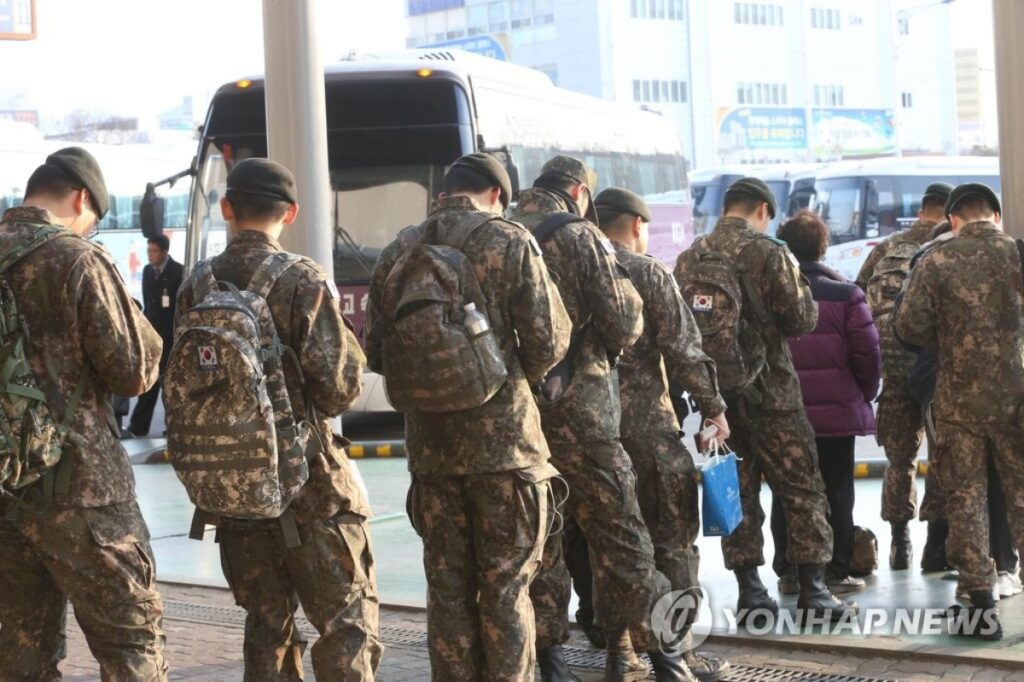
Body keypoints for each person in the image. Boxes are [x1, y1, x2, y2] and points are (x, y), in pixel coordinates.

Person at [366, 153, 571, 681]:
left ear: (445, 192)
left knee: (448, 591)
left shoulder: (397, 251)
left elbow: (374, 352)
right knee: (506, 591)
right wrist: (507, 379)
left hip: (431, 457)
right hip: (507, 455)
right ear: (497, 195)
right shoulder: (507, 240)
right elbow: (549, 340)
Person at [175, 158, 382, 678]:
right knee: (346, 626)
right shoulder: (301, 280)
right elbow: (340, 389)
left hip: (233, 493)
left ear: (226, 209)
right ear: (289, 213)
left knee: (266, 626)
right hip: (312, 489)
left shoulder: (195, 287)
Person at [511, 156, 696, 681]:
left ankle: (552, 662)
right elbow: (625, 321)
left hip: (520, 421)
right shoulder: (578, 236)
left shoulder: (498, 233)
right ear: (579, 192)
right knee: (623, 540)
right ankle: (668, 658)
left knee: (544, 541)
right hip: (585, 417)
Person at [0, 147, 168, 678]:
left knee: (20, 656)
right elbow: (135, 371)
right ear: (80, 198)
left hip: (7, 492)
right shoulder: (77, 259)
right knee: (131, 647)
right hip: (85, 496)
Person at [675, 177, 855, 623]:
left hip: (717, 399)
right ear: (761, 210)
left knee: (735, 492)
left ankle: (751, 591)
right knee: (801, 486)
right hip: (773, 393)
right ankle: (814, 590)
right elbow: (800, 320)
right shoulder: (770, 253)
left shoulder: (690, 257)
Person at [595, 187, 732, 681]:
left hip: (591, 436)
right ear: (636, 224)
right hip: (649, 435)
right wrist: (715, 408)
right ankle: (679, 654)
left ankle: (619, 651)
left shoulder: (568, 270)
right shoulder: (646, 271)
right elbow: (683, 349)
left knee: (610, 546)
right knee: (672, 543)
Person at [892, 182, 1024, 640]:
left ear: (952, 220)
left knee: (967, 500)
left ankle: (979, 606)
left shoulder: (935, 261)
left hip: (958, 403)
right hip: (1017, 400)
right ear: (995, 215)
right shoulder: (1018, 254)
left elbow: (909, 330)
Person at [771, 210, 882, 596]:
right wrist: (862, 395)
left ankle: (788, 570)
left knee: (789, 491)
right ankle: (836, 570)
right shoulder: (847, 294)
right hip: (836, 413)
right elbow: (868, 355)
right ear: (824, 246)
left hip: (784, 413)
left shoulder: (772, 293)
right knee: (837, 489)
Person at [855, 182, 953, 570]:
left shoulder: (886, 248)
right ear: (949, 213)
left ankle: (899, 542)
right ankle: (935, 545)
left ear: (922, 208)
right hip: (937, 369)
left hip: (893, 368)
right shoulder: (946, 247)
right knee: (942, 454)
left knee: (900, 459)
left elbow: (859, 298)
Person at [123, 234, 182, 439]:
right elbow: (148, 302)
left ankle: (174, 425)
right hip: (152, 334)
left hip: (171, 335)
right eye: (148, 251)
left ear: (165, 252)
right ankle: (138, 426)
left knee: (169, 382)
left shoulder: (179, 271)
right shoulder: (148, 271)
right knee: (148, 380)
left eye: (154, 251)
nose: (150, 255)